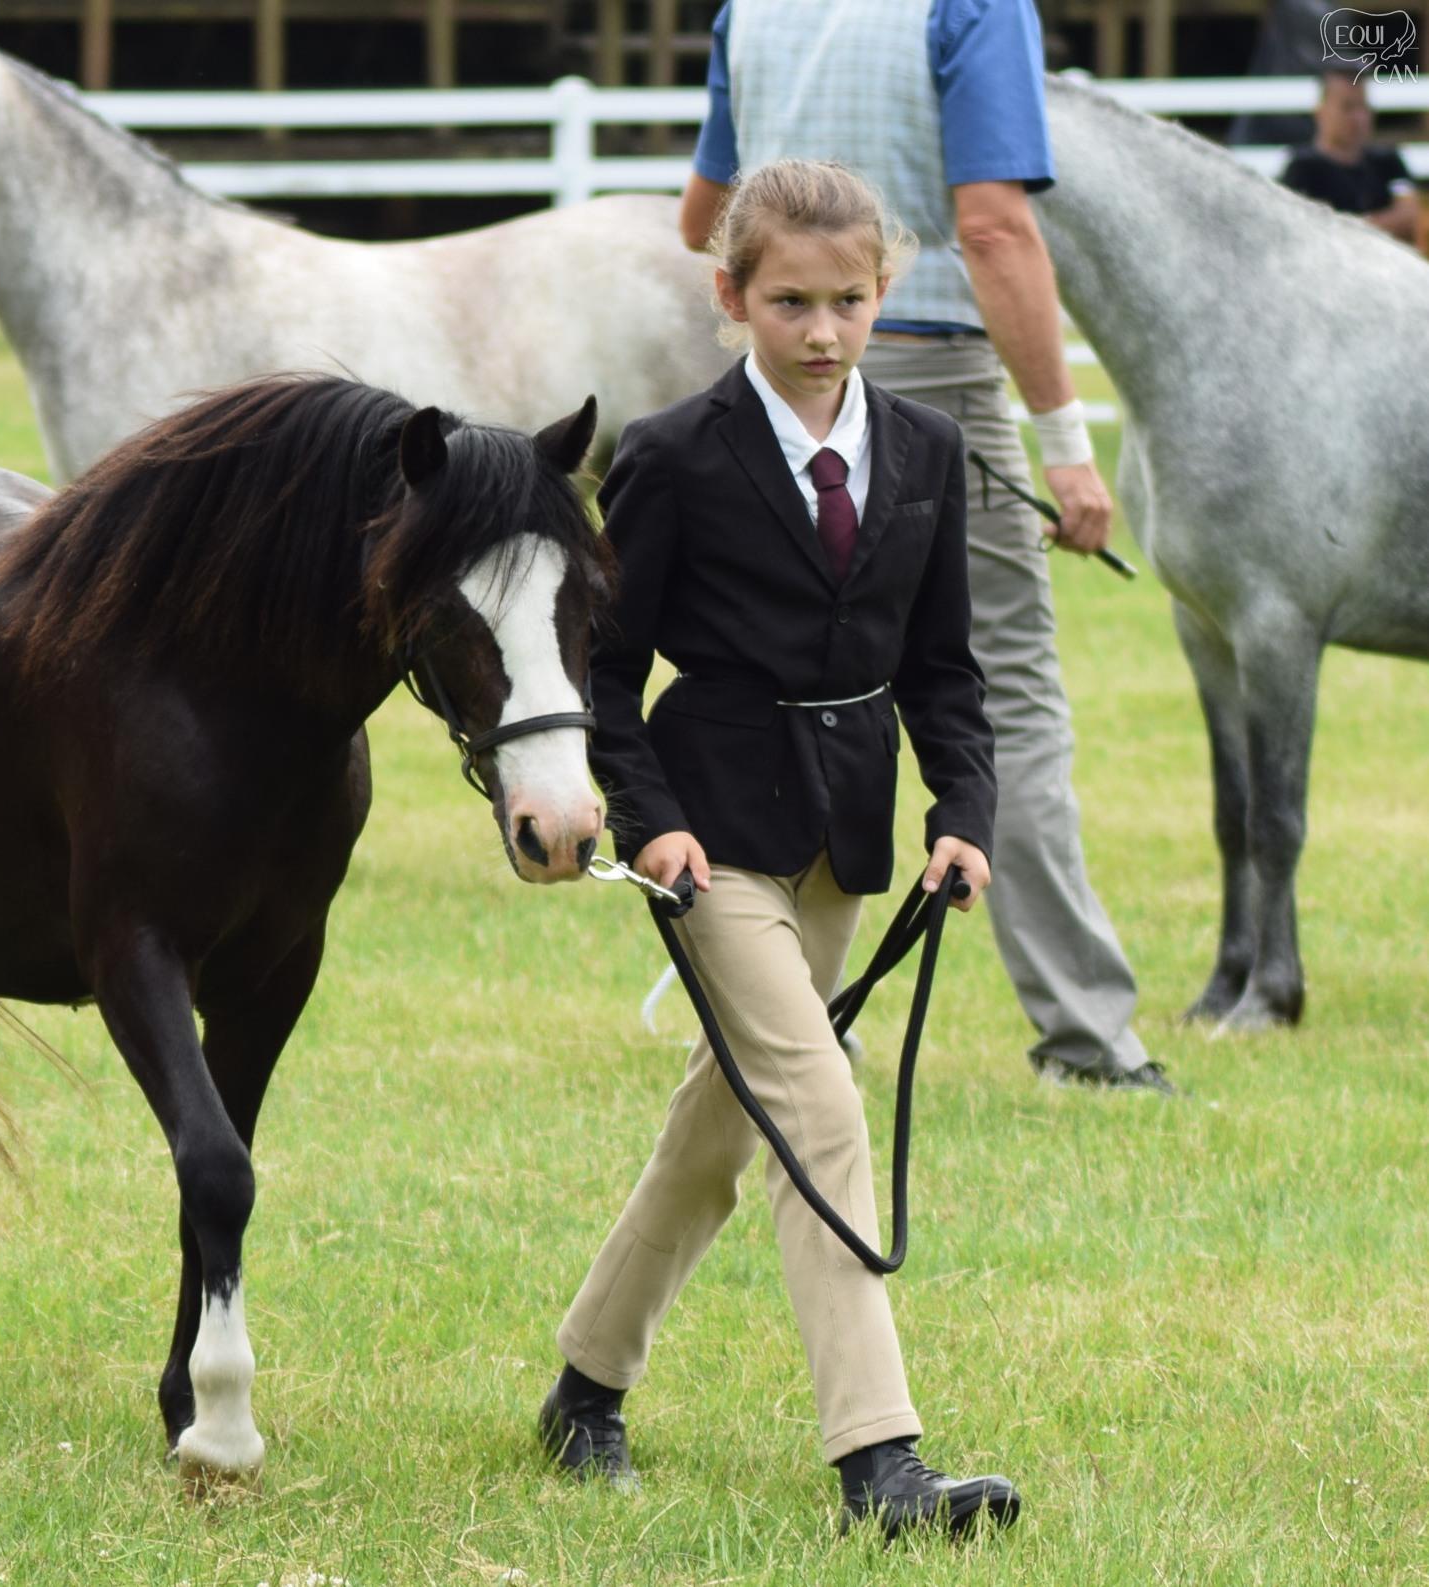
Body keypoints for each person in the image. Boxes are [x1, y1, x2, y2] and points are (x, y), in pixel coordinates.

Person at [539, 158, 1018, 1540]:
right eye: (789, 303)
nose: (820, 331)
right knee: (814, 1104)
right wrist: (652, 821)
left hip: (842, 834)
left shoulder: (924, 451)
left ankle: (582, 1388)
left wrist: (961, 812)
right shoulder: (673, 453)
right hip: (708, 834)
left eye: (847, 302)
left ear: (884, 292)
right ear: (731, 294)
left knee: (716, 1134)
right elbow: (604, 670)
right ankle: (881, 1464)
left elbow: (944, 668)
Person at [681, 0, 1174, 1094]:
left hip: (773, 383)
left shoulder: (746, 10)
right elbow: (992, 227)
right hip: (929, 367)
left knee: (777, 687)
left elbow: (701, 218)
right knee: (1005, 697)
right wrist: (1064, 445)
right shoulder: (973, 7)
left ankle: (777, 1012)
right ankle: (1084, 1034)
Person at [1279, 71, 1422, 245]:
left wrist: (1349, 228)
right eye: (1347, 107)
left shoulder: (1388, 161)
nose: (1358, 118)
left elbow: (1410, 215)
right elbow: (1301, 230)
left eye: (1363, 106)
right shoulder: (1302, 168)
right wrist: (1381, 224)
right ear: (1321, 111)